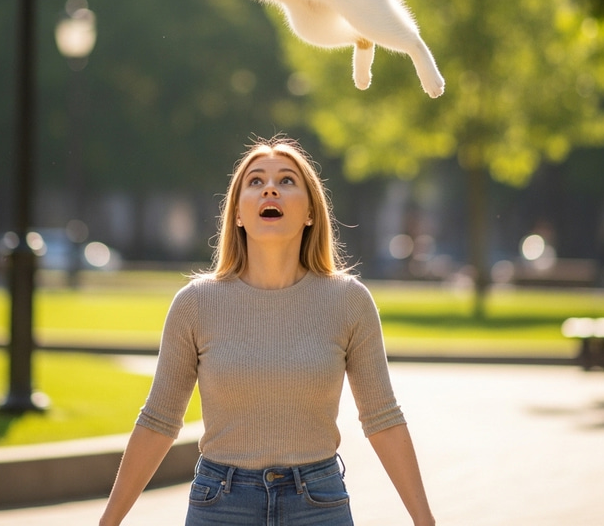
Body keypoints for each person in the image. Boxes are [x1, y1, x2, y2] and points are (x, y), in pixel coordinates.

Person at [99, 136, 436, 526]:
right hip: (220, 504)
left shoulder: (348, 300)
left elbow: (383, 419)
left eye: (287, 180)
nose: (270, 188)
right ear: (237, 213)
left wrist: (424, 521)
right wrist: (108, 522)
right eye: (255, 181)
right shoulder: (195, 303)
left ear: (311, 211)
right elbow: (158, 421)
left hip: (318, 504)